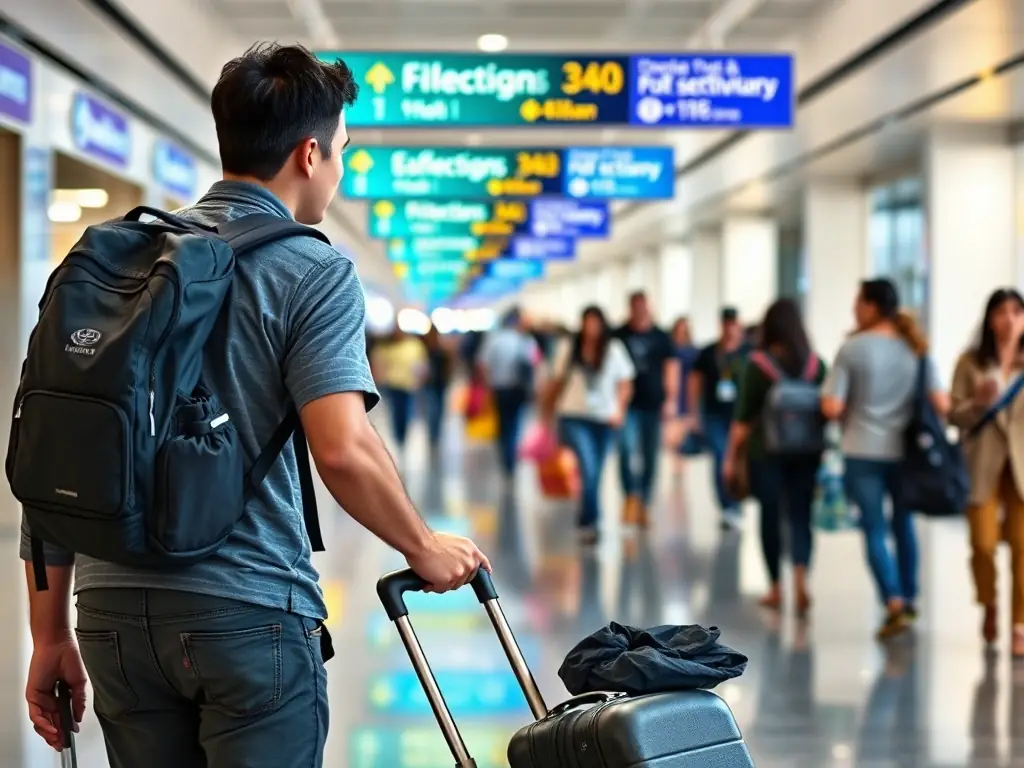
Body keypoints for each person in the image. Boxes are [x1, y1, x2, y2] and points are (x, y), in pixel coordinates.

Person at [21, 43, 490, 768]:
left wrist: (48, 636)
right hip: (248, 611)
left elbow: (56, 449)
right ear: (310, 153)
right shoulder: (313, 268)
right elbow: (342, 446)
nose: (338, 169)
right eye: (340, 152)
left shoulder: (113, 258)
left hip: (108, 614)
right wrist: (424, 547)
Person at [821, 278, 947, 640]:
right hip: (905, 453)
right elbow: (941, 403)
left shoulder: (853, 348)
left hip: (862, 450)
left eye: (858, 302)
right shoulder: (916, 347)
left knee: (874, 528)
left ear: (872, 306)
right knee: (903, 525)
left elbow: (832, 406)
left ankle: (892, 601)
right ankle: (908, 597)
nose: (854, 309)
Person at [723, 299, 827, 615]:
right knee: (801, 516)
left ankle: (776, 588)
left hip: (766, 451)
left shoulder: (758, 366)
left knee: (770, 515)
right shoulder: (816, 366)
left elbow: (743, 420)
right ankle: (800, 575)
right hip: (807, 452)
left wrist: (730, 457)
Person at [950, 288, 1024, 655]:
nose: (1009, 319)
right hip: (982, 464)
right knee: (982, 544)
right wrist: (978, 403)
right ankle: (990, 602)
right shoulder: (970, 363)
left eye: (1016, 312)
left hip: (1022, 467)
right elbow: (953, 414)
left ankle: (1019, 625)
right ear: (990, 319)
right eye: (1001, 312)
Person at [543, 306, 634, 544]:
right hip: (574, 416)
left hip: (604, 419)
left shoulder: (614, 350)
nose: (591, 328)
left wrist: (620, 411)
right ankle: (592, 521)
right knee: (588, 465)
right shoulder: (569, 348)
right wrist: (547, 415)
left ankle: (586, 518)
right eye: (587, 322)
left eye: (596, 323)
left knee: (596, 472)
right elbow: (556, 382)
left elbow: (625, 383)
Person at [614, 291, 679, 527]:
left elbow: (671, 368)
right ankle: (631, 495)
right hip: (627, 406)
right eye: (635, 306)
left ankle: (645, 502)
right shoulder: (619, 335)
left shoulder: (661, 337)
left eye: (643, 306)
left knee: (651, 456)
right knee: (626, 451)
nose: (639, 310)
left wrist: (671, 399)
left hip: (653, 404)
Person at [688, 307, 752, 530]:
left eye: (734, 323)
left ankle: (736, 500)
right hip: (714, 414)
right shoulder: (708, 353)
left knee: (738, 460)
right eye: (726, 323)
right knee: (720, 457)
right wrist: (694, 413)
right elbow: (694, 383)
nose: (730, 328)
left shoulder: (749, 352)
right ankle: (727, 505)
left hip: (741, 414)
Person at [477, 307, 540, 481]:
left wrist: (488, 384)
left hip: (499, 388)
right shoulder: (527, 341)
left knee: (503, 423)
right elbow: (535, 365)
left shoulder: (495, 340)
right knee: (515, 423)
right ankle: (510, 457)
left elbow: (483, 363)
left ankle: (507, 457)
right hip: (519, 389)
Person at [371, 327, 428, 453]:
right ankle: (398, 437)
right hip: (393, 385)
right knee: (396, 413)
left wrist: (420, 379)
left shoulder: (414, 346)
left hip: (409, 386)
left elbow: (421, 364)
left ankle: (403, 436)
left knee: (407, 413)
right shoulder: (388, 347)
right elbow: (380, 362)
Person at [668, 317, 700, 475]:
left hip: (687, 390)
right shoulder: (670, 348)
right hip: (675, 389)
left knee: (682, 428)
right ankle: (677, 460)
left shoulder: (693, 351)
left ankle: (681, 460)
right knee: (674, 430)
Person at [421, 324, 453, 452]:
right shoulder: (426, 349)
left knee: (439, 409)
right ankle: (433, 433)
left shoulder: (442, 349)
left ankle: (436, 432)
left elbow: (448, 366)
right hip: (431, 384)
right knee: (433, 409)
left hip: (440, 383)